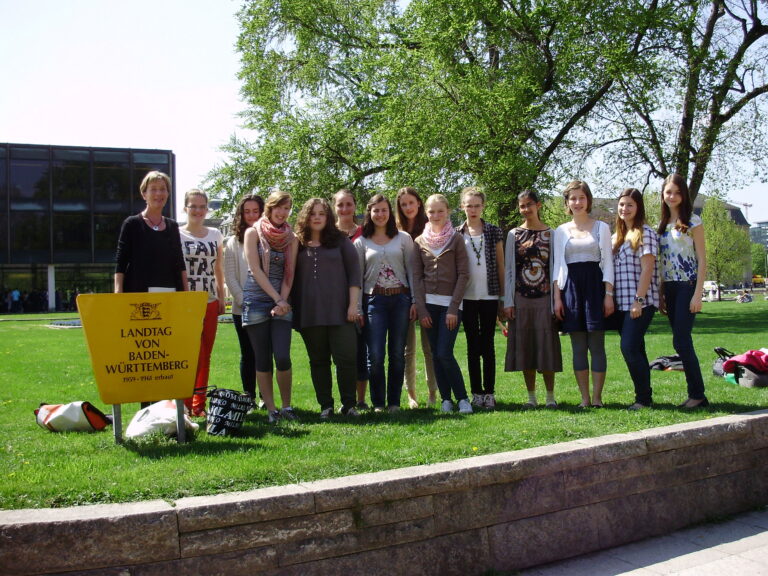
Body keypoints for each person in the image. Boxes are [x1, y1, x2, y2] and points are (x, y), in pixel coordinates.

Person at [292, 198, 362, 419]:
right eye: (313, 213)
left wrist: (353, 306)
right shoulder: (297, 244)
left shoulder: (341, 242)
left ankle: (349, 405)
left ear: (328, 217)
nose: (317, 217)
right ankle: (326, 406)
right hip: (310, 314)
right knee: (318, 361)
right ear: (306, 217)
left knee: (346, 359)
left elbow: (354, 276)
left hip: (341, 313)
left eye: (322, 213)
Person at [553, 180, 614, 408]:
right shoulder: (560, 231)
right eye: (573, 198)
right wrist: (558, 298)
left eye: (581, 197)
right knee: (578, 347)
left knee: (597, 345)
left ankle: (597, 398)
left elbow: (607, 262)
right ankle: (584, 399)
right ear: (567, 203)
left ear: (588, 200)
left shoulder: (602, 228)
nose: (577, 202)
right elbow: (558, 266)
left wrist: (608, 294)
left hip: (595, 288)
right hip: (571, 290)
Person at [354, 194, 416, 413]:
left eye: (384, 210)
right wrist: (358, 308)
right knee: (376, 354)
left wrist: (415, 300)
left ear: (390, 213)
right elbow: (358, 279)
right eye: (376, 210)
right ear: (369, 213)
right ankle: (378, 403)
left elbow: (412, 272)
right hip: (374, 301)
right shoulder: (361, 242)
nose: (380, 214)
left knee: (398, 353)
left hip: (401, 299)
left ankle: (394, 402)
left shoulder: (403, 238)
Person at [242, 190, 299, 423]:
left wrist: (283, 301)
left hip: (281, 302)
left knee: (283, 356)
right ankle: (272, 410)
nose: (282, 213)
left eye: (287, 208)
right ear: (270, 208)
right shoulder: (252, 233)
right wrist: (277, 298)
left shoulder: (292, 238)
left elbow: (291, 273)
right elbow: (255, 270)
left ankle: (287, 407)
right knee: (262, 358)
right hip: (257, 300)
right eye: (279, 207)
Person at [412, 194, 472, 413]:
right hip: (428, 306)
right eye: (431, 211)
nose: (436, 215)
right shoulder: (419, 241)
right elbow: (416, 278)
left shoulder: (456, 239)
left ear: (448, 212)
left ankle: (463, 398)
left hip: (450, 307)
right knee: (435, 354)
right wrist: (421, 309)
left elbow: (464, 275)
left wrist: (453, 308)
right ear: (426, 213)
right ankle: (446, 399)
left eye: (440, 211)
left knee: (445, 352)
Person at [503, 190, 562, 408]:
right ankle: (531, 397)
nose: (526, 209)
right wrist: (508, 301)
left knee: (546, 346)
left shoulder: (552, 234)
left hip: (545, 299)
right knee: (525, 347)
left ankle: (550, 396)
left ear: (538, 205)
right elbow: (509, 269)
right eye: (522, 206)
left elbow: (556, 269)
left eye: (529, 205)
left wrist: (556, 300)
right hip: (520, 299)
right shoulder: (513, 234)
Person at [657, 173, 709, 409]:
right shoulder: (662, 225)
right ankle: (695, 394)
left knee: (681, 340)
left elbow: (702, 259)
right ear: (663, 195)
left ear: (683, 195)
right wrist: (660, 291)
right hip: (669, 287)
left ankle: (697, 394)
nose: (672, 196)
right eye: (669, 192)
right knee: (679, 341)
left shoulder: (693, 221)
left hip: (688, 284)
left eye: (677, 192)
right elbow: (662, 260)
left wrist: (698, 293)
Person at [456, 187, 505, 409]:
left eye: (477, 205)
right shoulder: (457, 233)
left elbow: (501, 265)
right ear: (462, 207)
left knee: (488, 345)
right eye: (469, 205)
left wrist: (503, 297)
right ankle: (476, 392)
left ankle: (489, 392)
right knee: (472, 346)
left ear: (483, 206)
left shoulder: (494, 231)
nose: (473, 209)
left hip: (489, 295)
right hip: (466, 297)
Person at [179, 189, 226, 417]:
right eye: (193, 206)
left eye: (202, 206)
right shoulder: (176, 235)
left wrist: (221, 296)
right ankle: (185, 404)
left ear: (207, 209)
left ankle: (199, 405)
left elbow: (218, 267)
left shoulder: (215, 234)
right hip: (187, 303)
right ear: (185, 208)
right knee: (189, 354)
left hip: (210, 299)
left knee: (205, 354)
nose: (198, 211)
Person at [612, 188, 659, 410]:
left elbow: (647, 268)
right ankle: (644, 398)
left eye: (629, 204)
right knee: (636, 349)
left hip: (640, 302)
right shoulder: (619, 237)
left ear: (638, 207)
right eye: (622, 204)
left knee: (629, 348)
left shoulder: (645, 233)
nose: (625, 209)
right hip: (621, 304)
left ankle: (643, 399)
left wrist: (638, 300)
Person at [395, 186, 437, 407]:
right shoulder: (395, 231)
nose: (408, 207)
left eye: (411, 202)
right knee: (407, 349)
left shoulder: (429, 229)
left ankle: (432, 392)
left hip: (428, 294)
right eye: (403, 204)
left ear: (419, 203)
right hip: (403, 295)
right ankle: (411, 394)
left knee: (429, 347)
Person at [114, 170, 186, 294]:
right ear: (144, 194)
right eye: (153, 189)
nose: (158, 193)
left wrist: (186, 293)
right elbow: (121, 262)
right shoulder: (131, 224)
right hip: (138, 295)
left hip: (170, 295)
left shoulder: (173, 226)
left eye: (163, 189)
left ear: (168, 193)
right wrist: (118, 292)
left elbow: (180, 263)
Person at [224, 194, 265, 405]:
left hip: (266, 307)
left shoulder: (268, 239)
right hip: (242, 308)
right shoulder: (232, 242)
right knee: (248, 354)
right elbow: (229, 276)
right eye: (246, 212)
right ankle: (248, 397)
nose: (251, 216)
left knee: (264, 354)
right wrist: (243, 299)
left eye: (255, 211)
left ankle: (265, 397)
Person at [334, 188, 370, 410]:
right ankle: (341, 400)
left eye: (348, 204)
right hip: (336, 300)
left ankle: (361, 399)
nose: (345, 209)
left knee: (361, 350)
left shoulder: (365, 232)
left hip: (363, 297)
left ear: (355, 206)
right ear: (334, 207)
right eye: (340, 205)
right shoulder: (329, 234)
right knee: (340, 352)